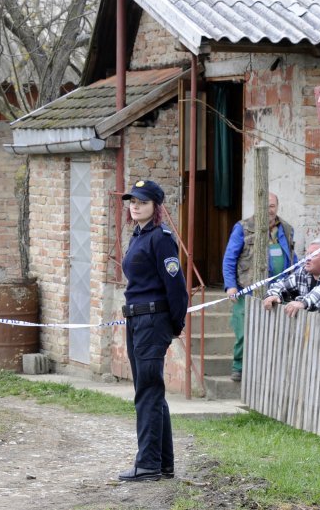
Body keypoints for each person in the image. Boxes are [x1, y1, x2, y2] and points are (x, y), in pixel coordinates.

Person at [117, 179, 188, 483]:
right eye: (133, 201)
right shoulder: (139, 236)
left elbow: (177, 288)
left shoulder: (161, 239)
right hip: (136, 320)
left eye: (142, 202)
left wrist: (174, 324)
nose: (135, 206)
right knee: (152, 392)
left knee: (147, 392)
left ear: (155, 207)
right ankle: (163, 464)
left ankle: (147, 464)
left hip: (152, 321)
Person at [221, 193, 296, 382]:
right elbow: (229, 258)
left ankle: (270, 371)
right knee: (244, 332)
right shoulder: (243, 228)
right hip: (248, 290)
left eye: (272, 206)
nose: (269, 210)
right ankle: (239, 367)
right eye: (265, 205)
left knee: (277, 333)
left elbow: (293, 258)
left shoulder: (286, 229)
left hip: (279, 291)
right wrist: (230, 286)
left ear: (277, 207)